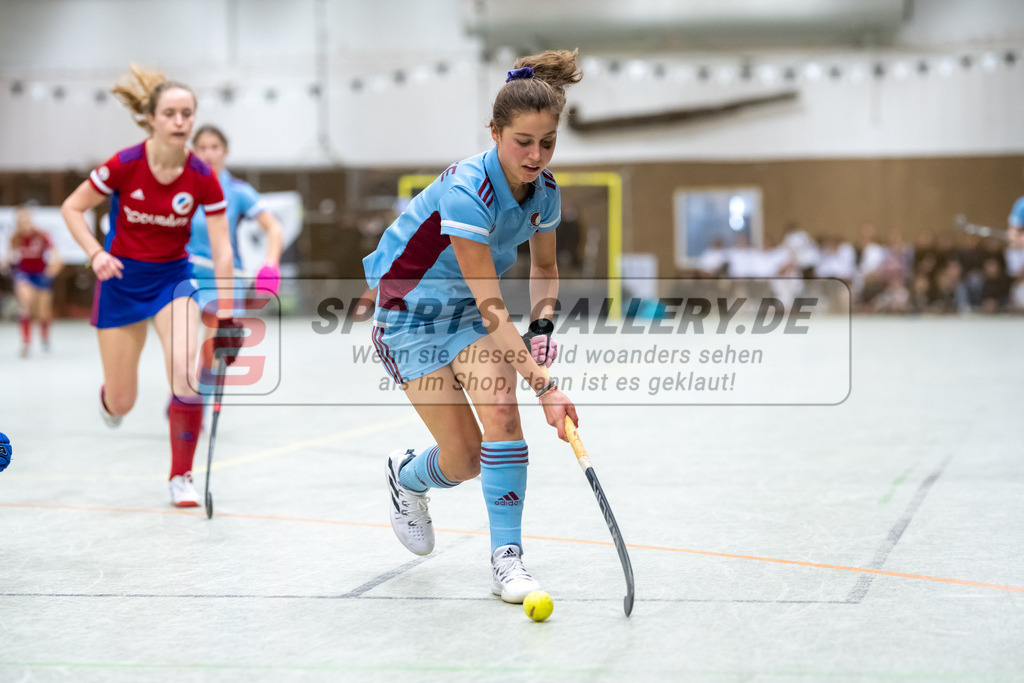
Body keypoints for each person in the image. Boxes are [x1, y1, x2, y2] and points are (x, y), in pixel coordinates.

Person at [362, 49, 581, 604]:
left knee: (503, 413)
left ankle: (507, 559)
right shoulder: (469, 191)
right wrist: (548, 386)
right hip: (409, 313)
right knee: (460, 458)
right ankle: (407, 478)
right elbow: (491, 307)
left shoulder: (546, 193)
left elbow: (546, 268)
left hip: (466, 312)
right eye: (523, 142)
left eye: (547, 143)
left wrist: (543, 327)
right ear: (495, 133)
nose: (536, 156)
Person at [60, 65, 238, 507]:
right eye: (171, 114)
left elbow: (222, 252)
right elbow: (72, 207)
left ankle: (181, 477)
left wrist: (230, 315)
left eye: (187, 114)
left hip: (172, 281)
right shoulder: (125, 164)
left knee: (185, 378)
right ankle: (111, 401)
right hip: (120, 282)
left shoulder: (201, 175)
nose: (180, 122)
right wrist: (95, 253)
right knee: (122, 402)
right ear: (153, 119)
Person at [186, 124, 283, 400]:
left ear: (224, 152)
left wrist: (271, 264)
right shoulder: (183, 188)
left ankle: (198, 405)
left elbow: (274, 229)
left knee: (212, 351)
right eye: (202, 148)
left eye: (214, 147)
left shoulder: (238, 191)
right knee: (183, 347)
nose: (208, 153)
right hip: (185, 277)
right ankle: (181, 398)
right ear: (193, 152)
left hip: (224, 279)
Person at [2, 204, 63, 357]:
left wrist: (54, 266)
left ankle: (44, 338)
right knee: (26, 302)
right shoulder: (15, 238)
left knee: (43, 311)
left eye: (26, 218)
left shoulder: (42, 235)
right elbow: (9, 256)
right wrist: (4, 263)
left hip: (41, 275)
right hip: (23, 274)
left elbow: (55, 254)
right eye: (20, 219)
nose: (23, 222)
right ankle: (26, 343)